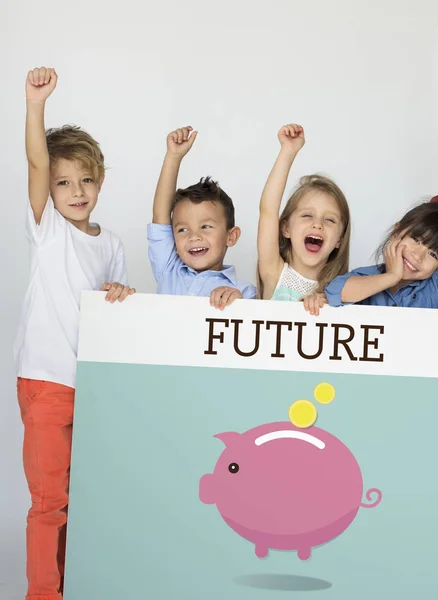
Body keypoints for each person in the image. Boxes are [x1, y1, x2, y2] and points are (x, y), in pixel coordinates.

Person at [14, 66, 134, 600]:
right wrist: (35, 104)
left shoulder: (110, 244)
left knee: (79, 499)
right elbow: (37, 160)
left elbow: (115, 311)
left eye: (86, 179)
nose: (76, 190)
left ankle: (70, 585)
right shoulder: (47, 230)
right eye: (64, 182)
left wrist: (121, 296)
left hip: (91, 388)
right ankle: (44, 593)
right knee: (49, 502)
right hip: (45, 382)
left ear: (101, 181)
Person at [325, 141, 438, 308]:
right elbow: (335, 292)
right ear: (397, 230)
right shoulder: (364, 277)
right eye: (417, 240)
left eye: (433, 255)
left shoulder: (436, 288)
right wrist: (392, 276)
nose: (418, 256)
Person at [147, 126, 256, 308]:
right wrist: (173, 157)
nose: (194, 236)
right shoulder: (169, 269)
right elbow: (160, 215)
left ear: (231, 236)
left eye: (205, 226)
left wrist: (239, 305)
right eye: (182, 229)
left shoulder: (244, 291)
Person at [256, 123, 351, 315]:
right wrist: (288, 151)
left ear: (339, 240)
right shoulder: (275, 274)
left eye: (330, 220)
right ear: (286, 228)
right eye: (307, 215)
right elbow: (268, 210)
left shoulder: (341, 291)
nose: (317, 224)